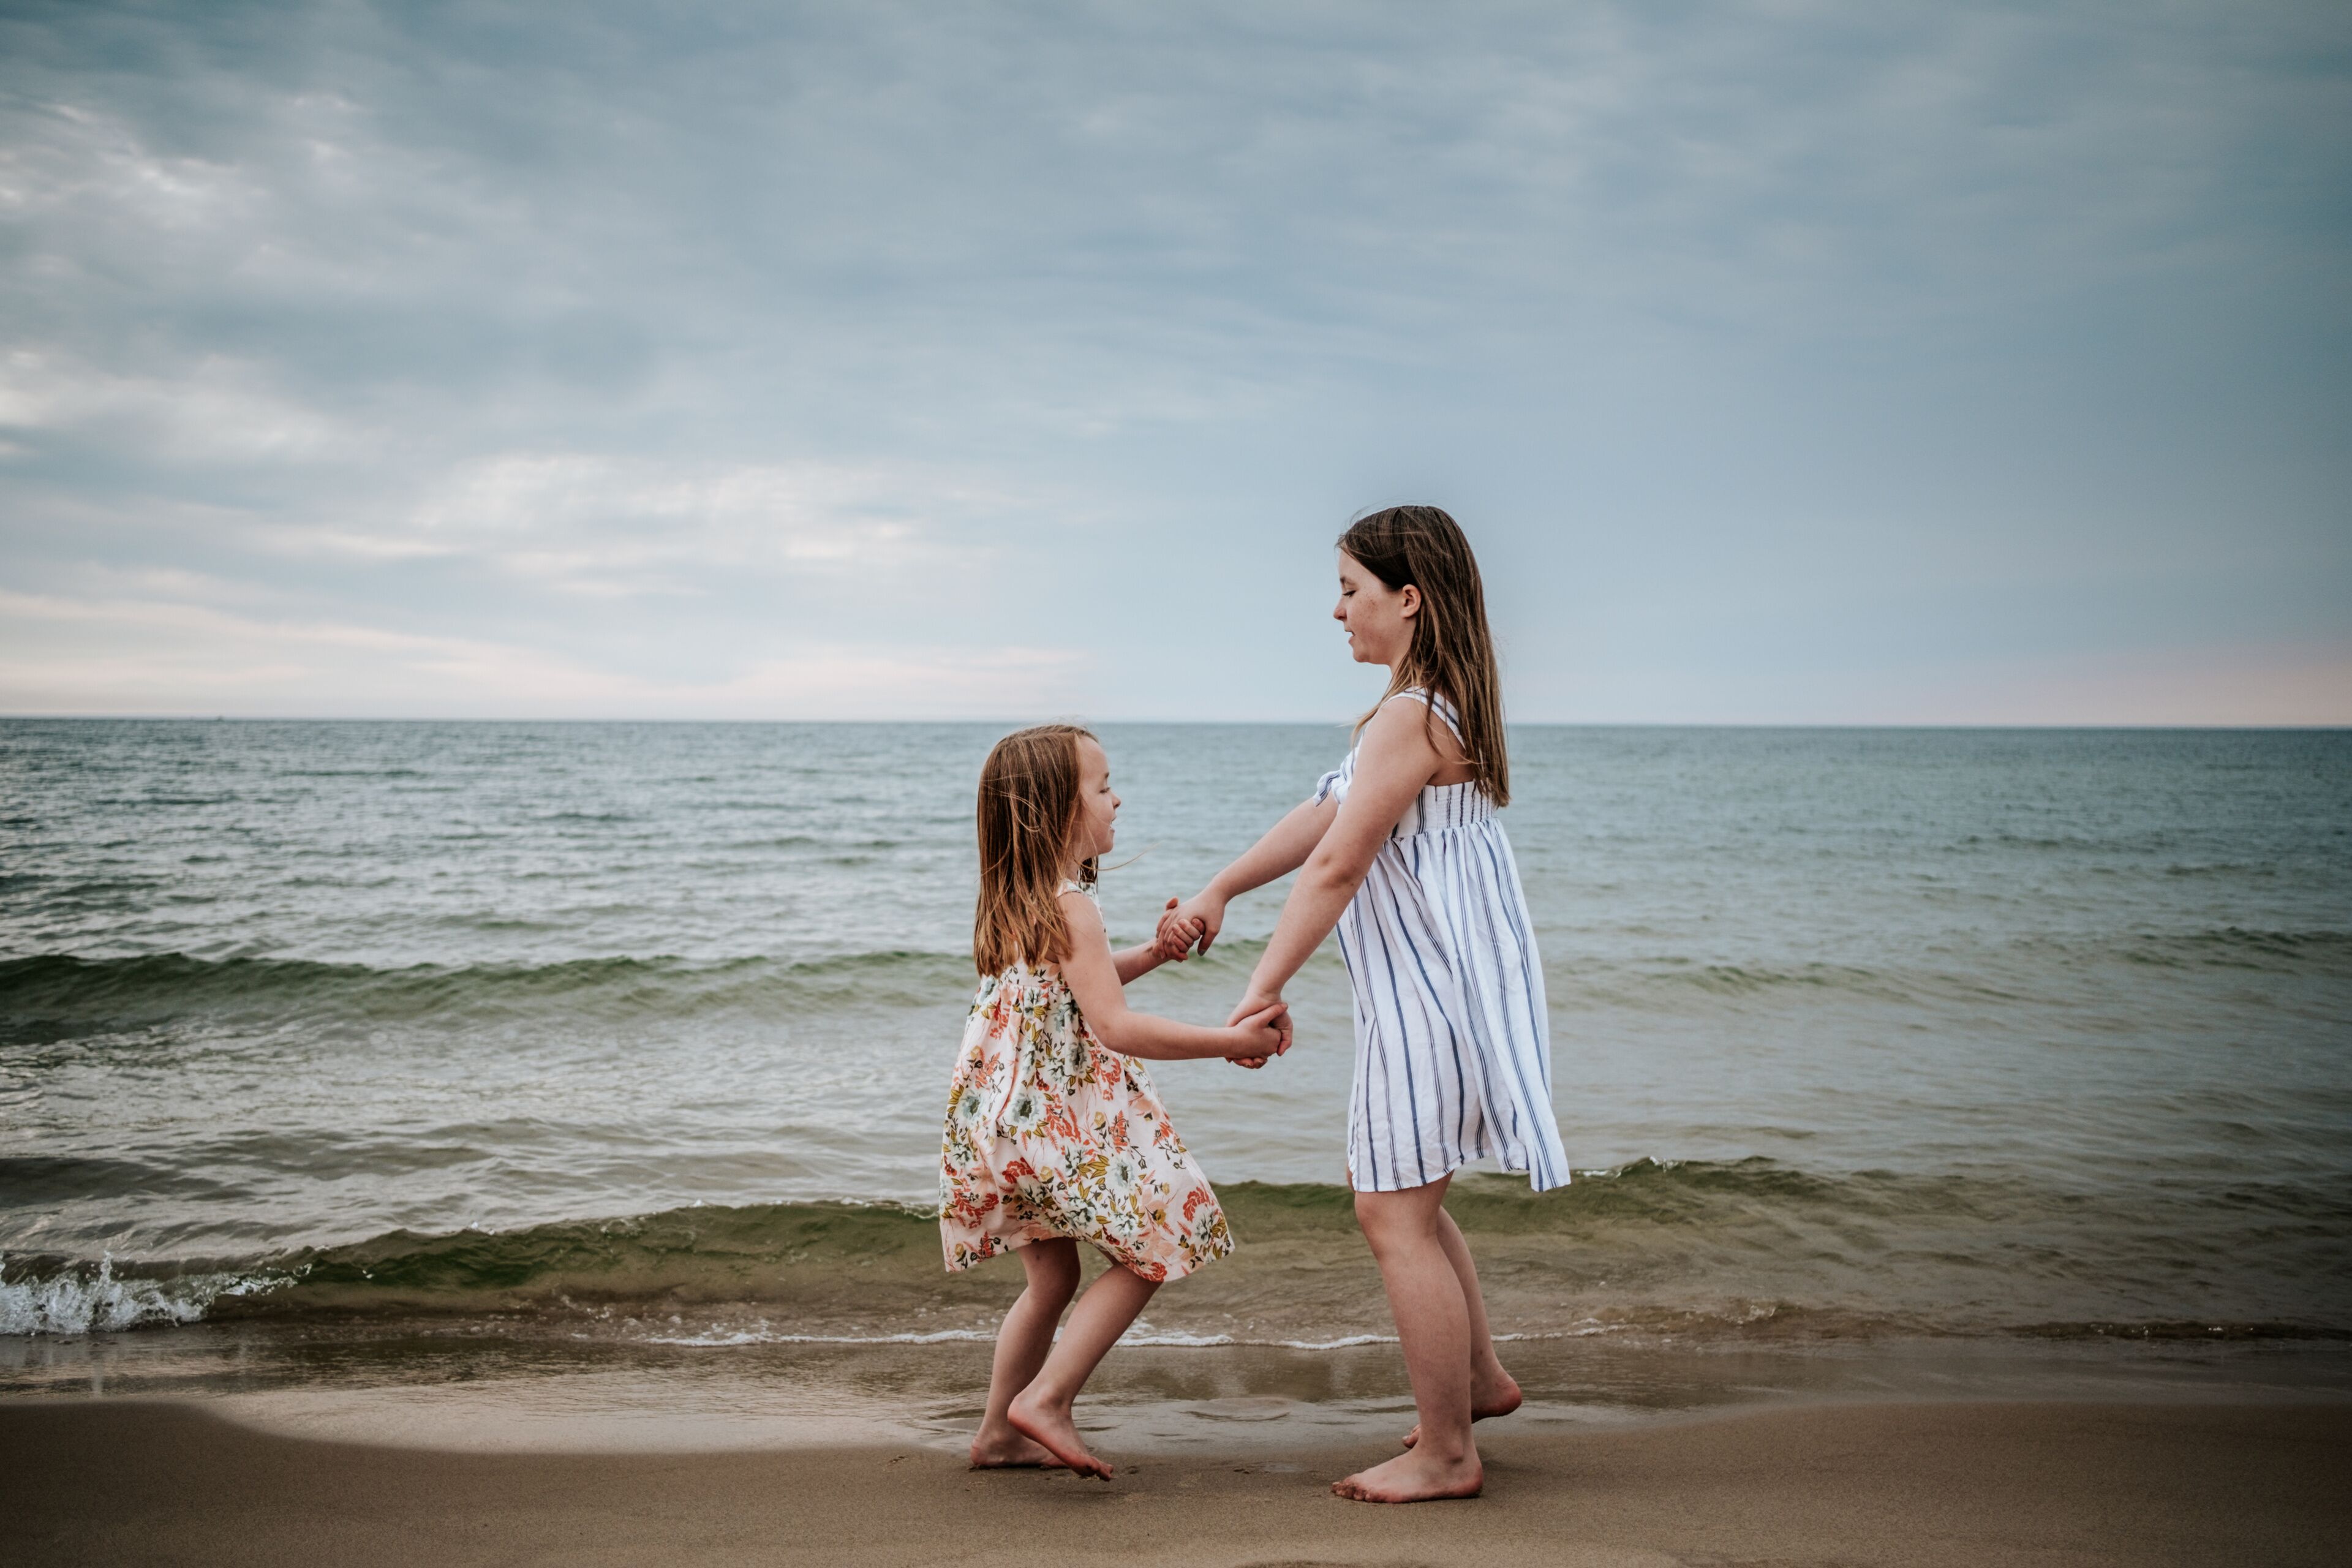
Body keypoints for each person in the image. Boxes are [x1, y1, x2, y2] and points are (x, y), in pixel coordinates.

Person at [1158, 505, 1569, 1503]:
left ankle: (1446, 1454)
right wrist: (1222, 887)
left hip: (1425, 997)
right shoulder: (1426, 710)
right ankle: (1475, 1383)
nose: (1337, 609)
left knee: (1392, 1211)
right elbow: (1325, 815)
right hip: (1449, 992)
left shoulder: (1407, 716)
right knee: (1412, 1197)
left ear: (1409, 598)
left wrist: (1260, 989)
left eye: (1351, 589)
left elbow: (1342, 863)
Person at [941, 723, 1291, 1480]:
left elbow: (1070, 988)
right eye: (1102, 787)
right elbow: (1113, 1024)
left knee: (1054, 1280)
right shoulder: (1072, 907)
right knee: (1165, 1234)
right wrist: (1228, 1041)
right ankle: (1049, 1400)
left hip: (1000, 1127)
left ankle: (999, 1433)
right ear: (1058, 812)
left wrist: (1156, 954)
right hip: (1054, 1123)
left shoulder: (1016, 900)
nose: (1117, 798)